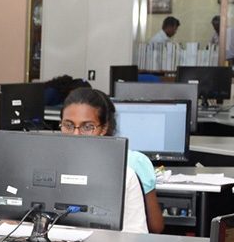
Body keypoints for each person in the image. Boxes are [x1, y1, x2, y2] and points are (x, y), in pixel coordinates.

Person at [59, 88, 164, 234]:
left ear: (104, 128)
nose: (76, 134)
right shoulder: (48, 164)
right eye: (68, 125)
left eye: (88, 127)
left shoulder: (127, 172)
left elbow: (147, 231)